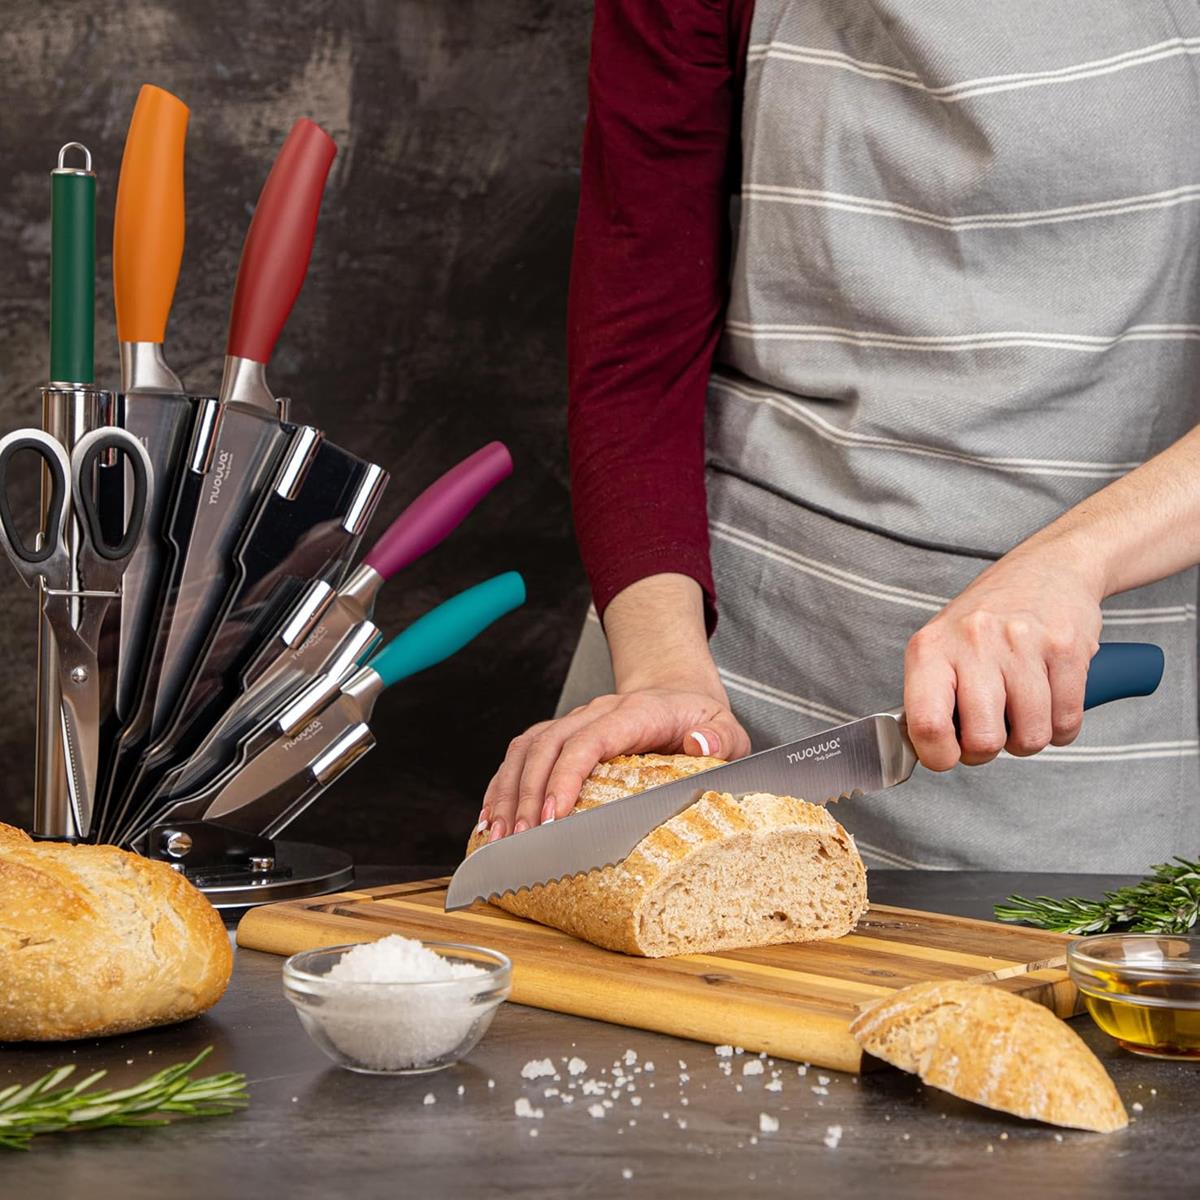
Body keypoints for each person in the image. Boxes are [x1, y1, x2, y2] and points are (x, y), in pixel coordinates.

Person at [480, 1, 1200, 870]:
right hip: (723, 680)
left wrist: (1071, 562)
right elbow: (636, 347)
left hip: (1085, 730)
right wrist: (665, 674)